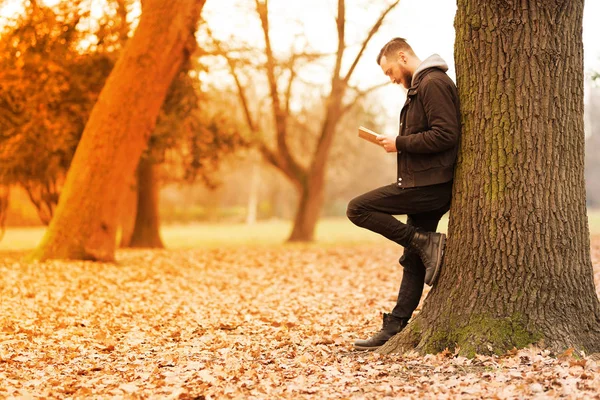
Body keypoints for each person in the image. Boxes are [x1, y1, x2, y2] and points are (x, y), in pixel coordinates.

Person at [346, 38, 461, 351]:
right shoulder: (420, 87)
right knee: (413, 259)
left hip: (429, 186)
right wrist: (398, 142)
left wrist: (399, 143)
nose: (391, 78)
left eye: (389, 71)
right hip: (424, 182)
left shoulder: (432, 83)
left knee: (357, 208)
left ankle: (425, 242)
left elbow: (446, 134)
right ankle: (395, 326)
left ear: (402, 55)